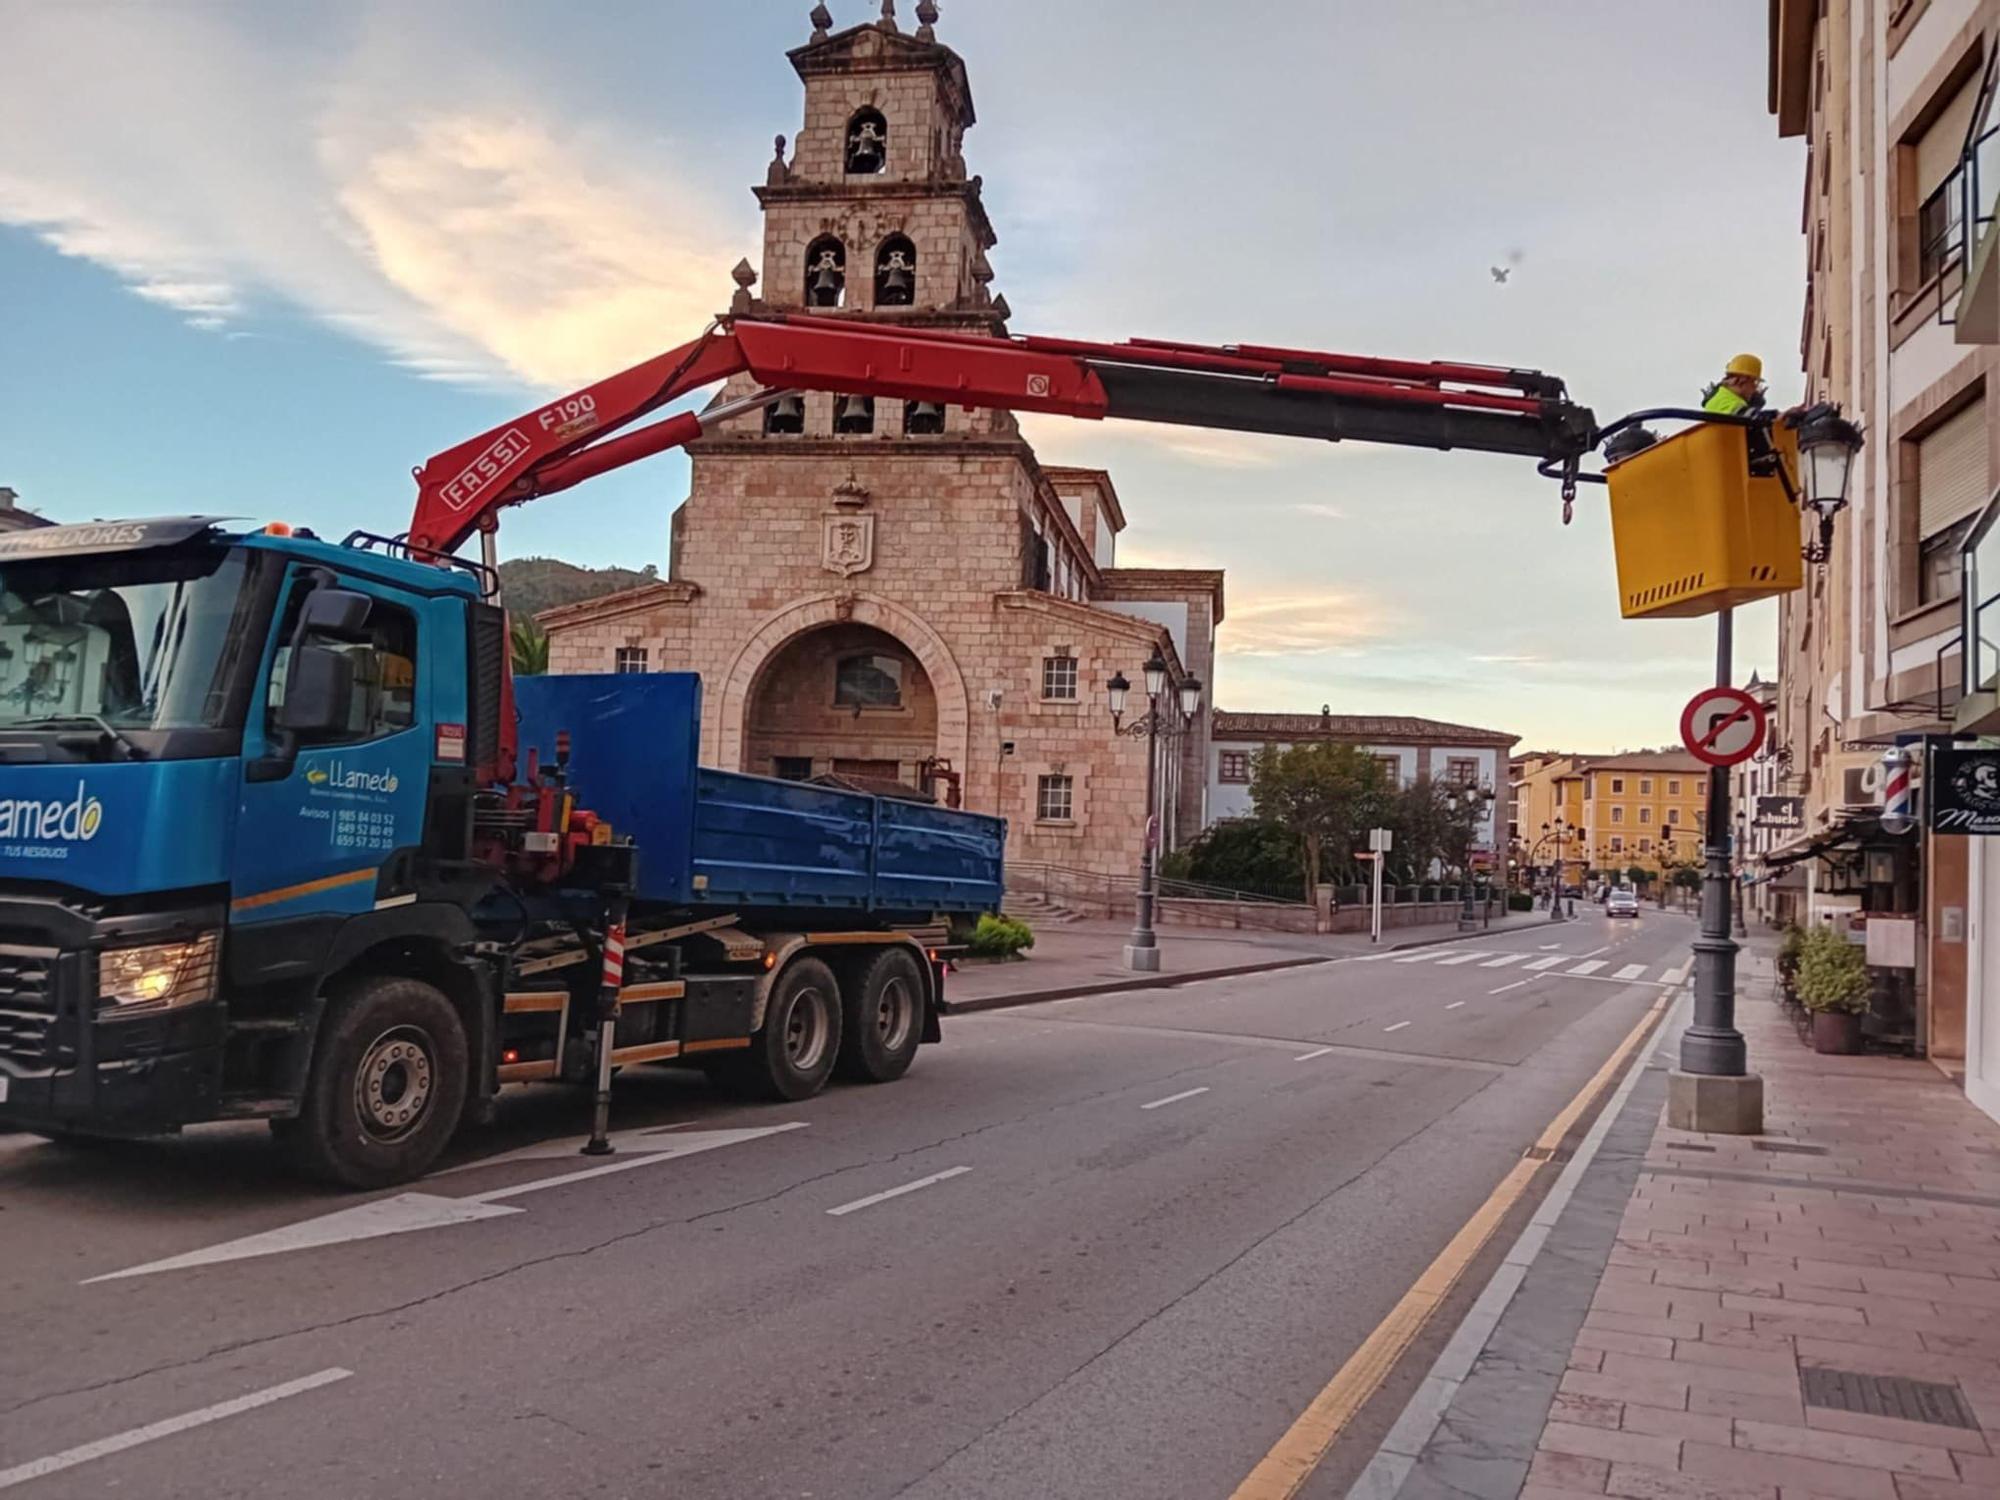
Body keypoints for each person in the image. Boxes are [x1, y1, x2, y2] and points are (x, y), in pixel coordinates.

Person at [1702, 353, 1766, 415]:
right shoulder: (1723, 400)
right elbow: (1743, 415)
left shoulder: (1728, 398)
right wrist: (1761, 414)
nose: (1755, 388)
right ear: (1741, 380)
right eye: (1754, 382)